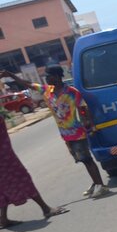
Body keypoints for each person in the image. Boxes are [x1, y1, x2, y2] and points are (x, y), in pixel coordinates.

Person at [1, 65, 110, 199]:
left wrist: (90, 126)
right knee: (81, 159)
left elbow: (83, 109)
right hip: (65, 134)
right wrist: (10, 75)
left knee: (86, 159)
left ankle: (100, 185)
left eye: (49, 75)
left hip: (77, 132)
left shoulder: (71, 92)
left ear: (57, 77)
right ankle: (95, 182)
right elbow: (27, 83)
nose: (46, 78)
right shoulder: (47, 91)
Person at [0, 104, 64, 228]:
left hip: (4, 155)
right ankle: (45, 208)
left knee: (2, 186)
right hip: (4, 157)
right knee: (23, 178)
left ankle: (3, 218)